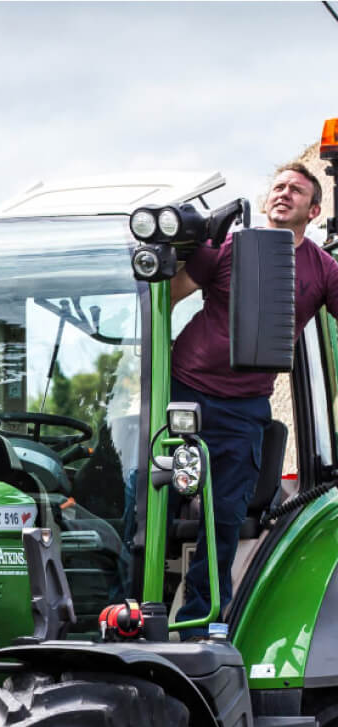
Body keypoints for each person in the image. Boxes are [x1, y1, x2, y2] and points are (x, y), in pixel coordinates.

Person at [169, 163, 338, 636]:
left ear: (315, 209)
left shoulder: (322, 269)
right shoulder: (227, 246)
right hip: (184, 391)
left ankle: (199, 623)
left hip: (244, 409)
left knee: (224, 513)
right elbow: (169, 297)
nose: (283, 194)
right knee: (146, 493)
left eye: (296, 190)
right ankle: (128, 607)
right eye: (278, 187)